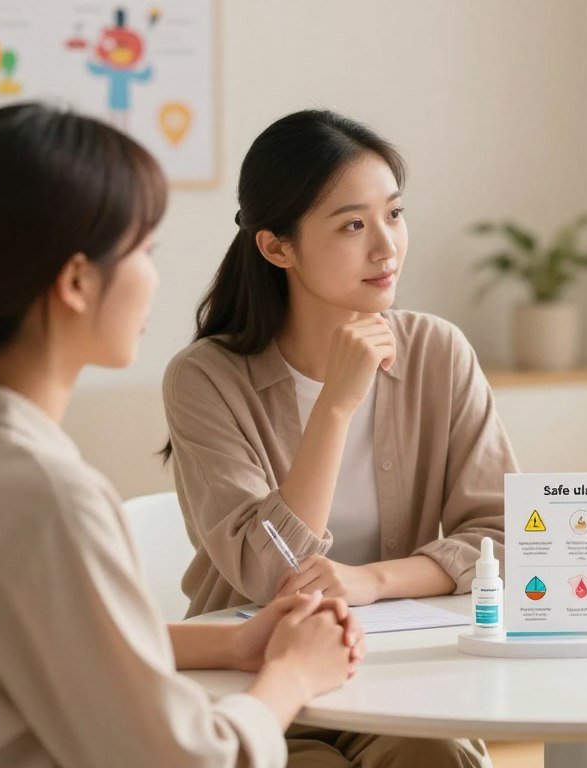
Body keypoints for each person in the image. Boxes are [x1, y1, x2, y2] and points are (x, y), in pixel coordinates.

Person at [0, 103, 363, 767]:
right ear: (75, 281)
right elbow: (188, 763)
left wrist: (233, 645)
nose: (155, 276)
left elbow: (61, 644)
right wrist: (293, 674)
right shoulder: (47, 498)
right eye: (145, 250)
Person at [162, 109, 508, 767]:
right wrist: (336, 407)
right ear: (276, 247)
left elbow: (503, 535)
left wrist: (370, 581)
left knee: (434, 761)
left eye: (394, 214)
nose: (387, 247)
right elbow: (271, 574)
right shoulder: (205, 379)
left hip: (402, 680)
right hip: (262, 688)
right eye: (353, 224)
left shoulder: (439, 352)